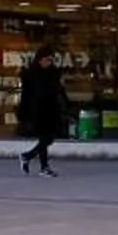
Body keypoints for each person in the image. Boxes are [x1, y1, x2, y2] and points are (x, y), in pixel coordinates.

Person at [17, 48, 70, 178]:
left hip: (52, 110)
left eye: (50, 60)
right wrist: (24, 113)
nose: (49, 62)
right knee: (46, 138)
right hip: (39, 111)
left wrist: (66, 104)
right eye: (46, 59)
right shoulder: (31, 75)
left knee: (48, 138)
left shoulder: (53, 74)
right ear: (40, 60)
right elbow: (26, 95)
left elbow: (59, 91)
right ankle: (39, 164)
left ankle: (31, 158)